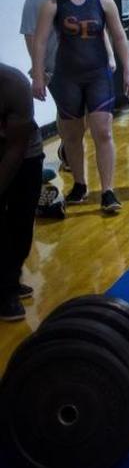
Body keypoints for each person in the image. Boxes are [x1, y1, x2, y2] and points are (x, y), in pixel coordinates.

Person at [30, 0, 129, 214]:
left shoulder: (104, 2)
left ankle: (108, 190)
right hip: (66, 78)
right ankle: (79, 184)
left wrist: (128, 72)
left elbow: (120, 37)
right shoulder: (51, 4)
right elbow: (40, 40)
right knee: (72, 135)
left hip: (97, 75)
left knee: (103, 131)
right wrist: (38, 75)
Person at [0, 63, 43, 322]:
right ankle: (5, 291)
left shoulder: (13, 84)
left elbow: (16, 150)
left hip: (24, 152)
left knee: (21, 220)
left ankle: (10, 278)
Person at [20, 0, 67, 171]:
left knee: (84, 114)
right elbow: (31, 36)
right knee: (68, 111)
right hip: (54, 67)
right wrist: (38, 71)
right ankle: (68, 149)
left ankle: (69, 145)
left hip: (84, 66)